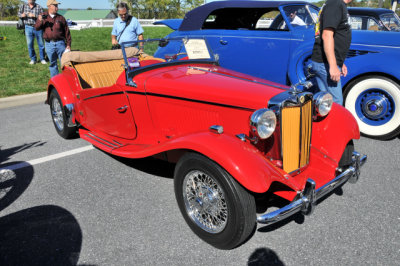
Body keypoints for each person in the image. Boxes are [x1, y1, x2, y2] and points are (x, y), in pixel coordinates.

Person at [311, 0, 353, 105]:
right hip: (324, 63)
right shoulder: (335, 4)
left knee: (325, 102)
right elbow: (327, 35)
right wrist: (333, 65)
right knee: (335, 103)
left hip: (326, 62)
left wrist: (340, 62)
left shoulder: (336, 4)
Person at [35, 0, 71, 77]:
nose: (57, 7)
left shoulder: (61, 18)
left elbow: (67, 32)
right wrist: (40, 21)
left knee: (65, 63)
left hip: (60, 43)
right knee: (53, 63)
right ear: (49, 6)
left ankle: (66, 79)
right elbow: (37, 28)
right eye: (55, 5)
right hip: (49, 44)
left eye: (57, 6)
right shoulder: (43, 16)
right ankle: (56, 81)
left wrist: (68, 44)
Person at [18, 0, 46, 65]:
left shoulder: (39, 7)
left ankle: (42, 59)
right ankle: (33, 59)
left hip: (38, 27)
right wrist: (22, 15)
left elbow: (43, 17)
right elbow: (18, 14)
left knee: (41, 44)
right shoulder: (23, 6)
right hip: (28, 27)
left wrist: (35, 15)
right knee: (29, 44)